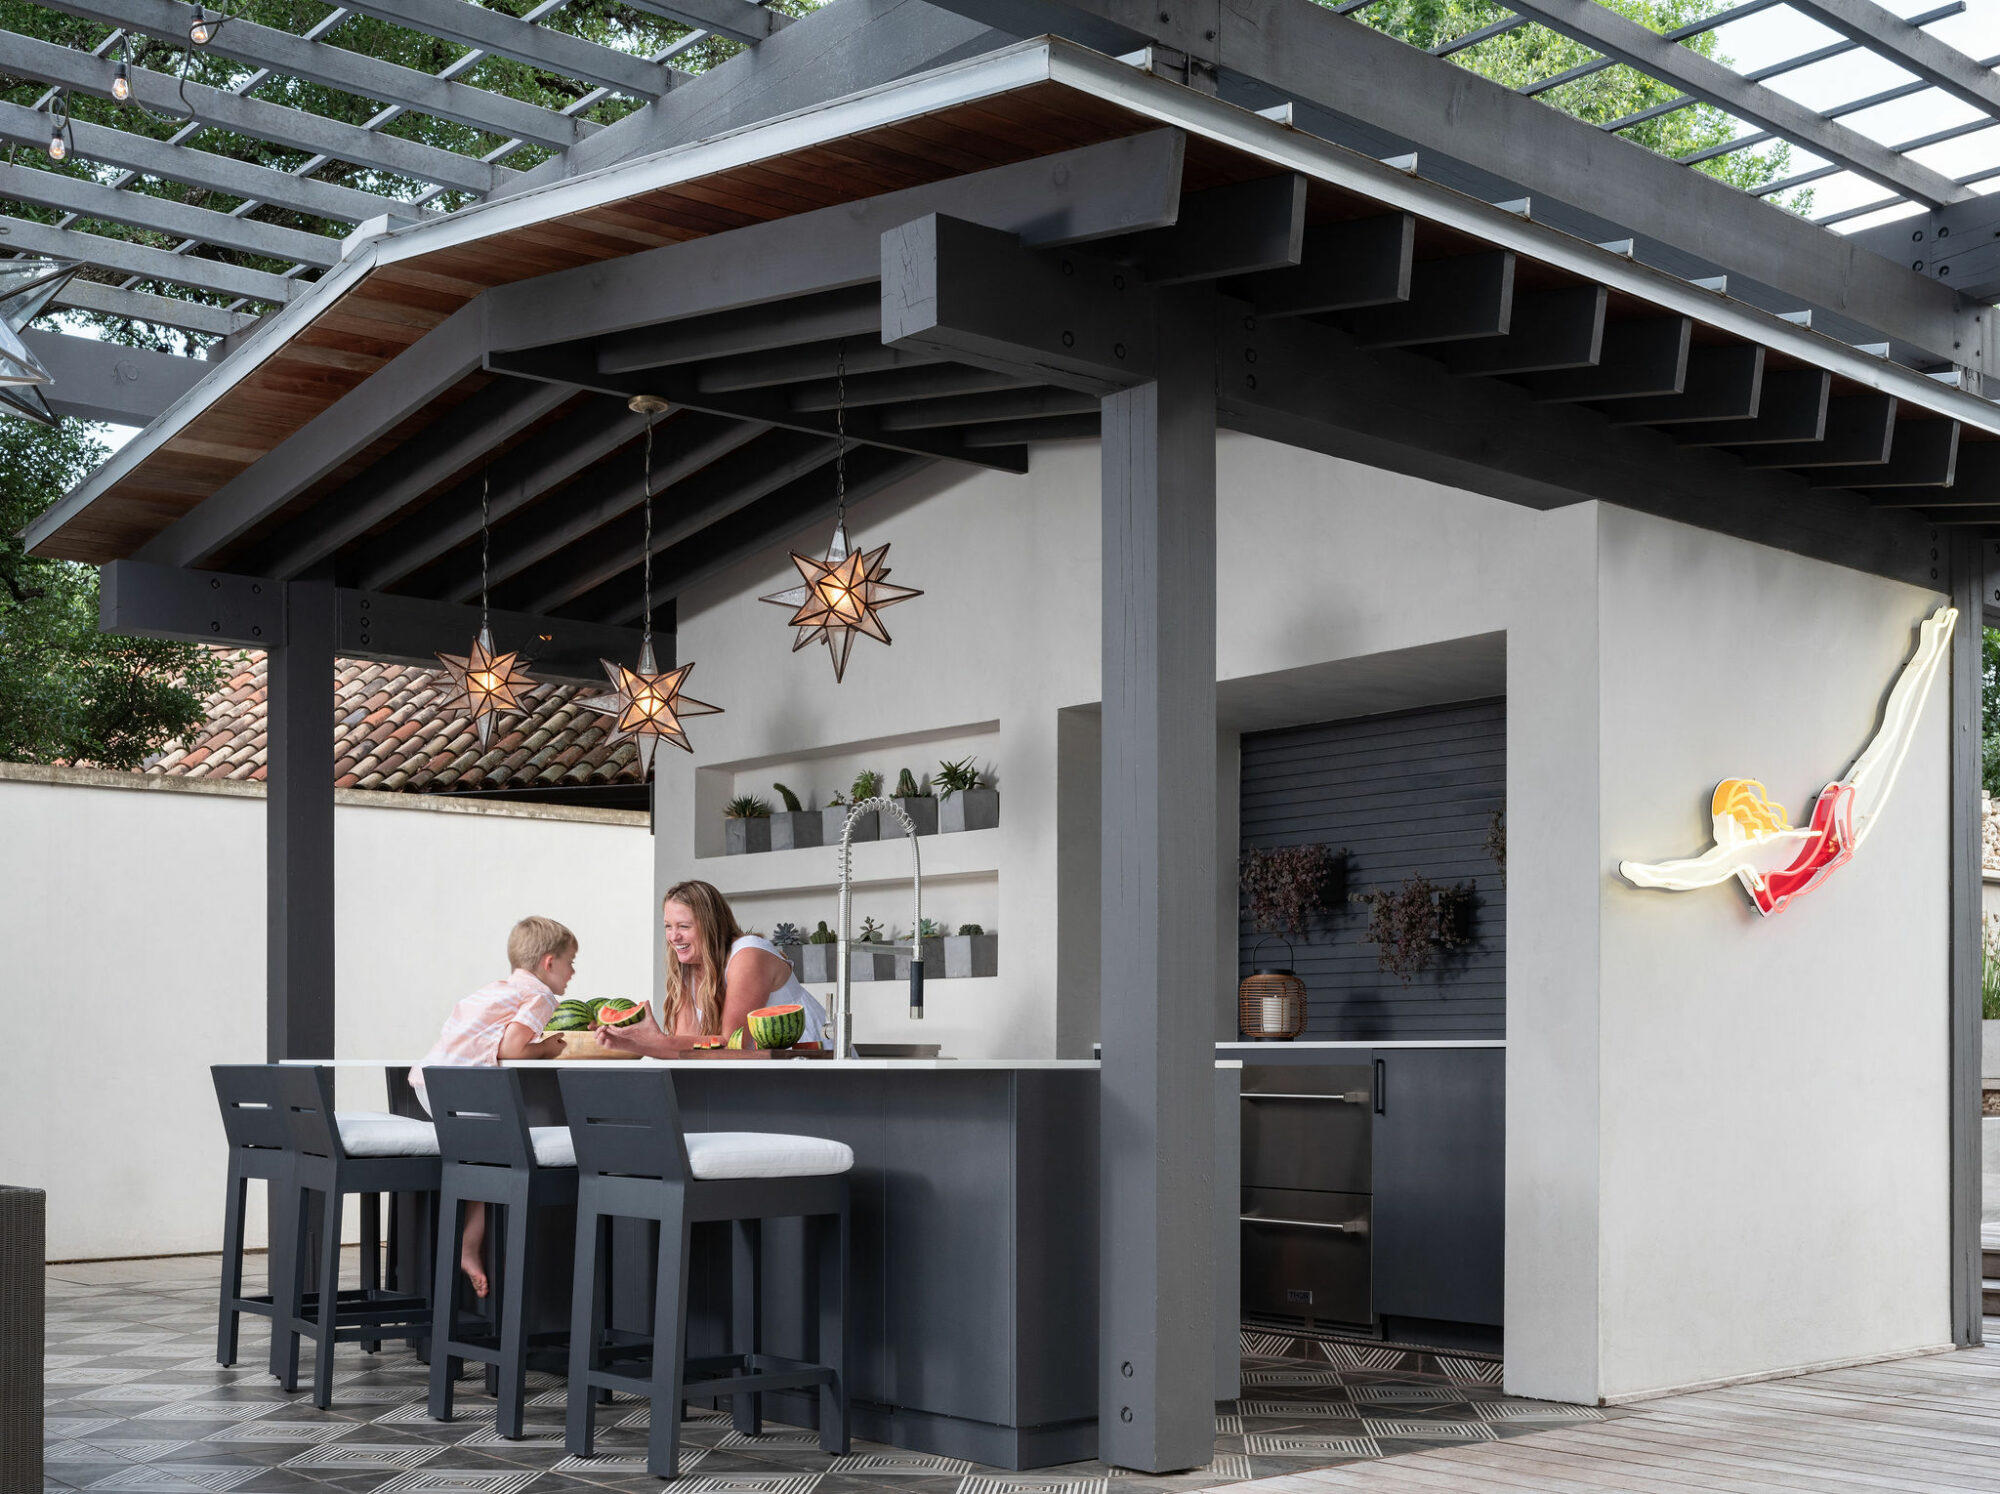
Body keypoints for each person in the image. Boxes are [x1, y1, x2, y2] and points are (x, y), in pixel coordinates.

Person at [409, 915, 576, 1295]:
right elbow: (513, 1048)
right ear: (549, 962)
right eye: (570, 962)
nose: (573, 972)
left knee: (485, 1162)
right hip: (468, 1090)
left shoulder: (496, 989)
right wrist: (546, 1049)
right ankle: (472, 1248)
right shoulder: (541, 996)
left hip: (432, 1086)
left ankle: (466, 1248)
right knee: (505, 1161)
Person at [597, 880, 827, 1055]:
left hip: (813, 1067)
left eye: (683, 926)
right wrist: (630, 1040)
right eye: (668, 926)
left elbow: (732, 1044)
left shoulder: (748, 954)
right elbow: (687, 1049)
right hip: (763, 1077)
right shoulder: (689, 966)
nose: (673, 937)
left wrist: (651, 1042)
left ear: (711, 926)